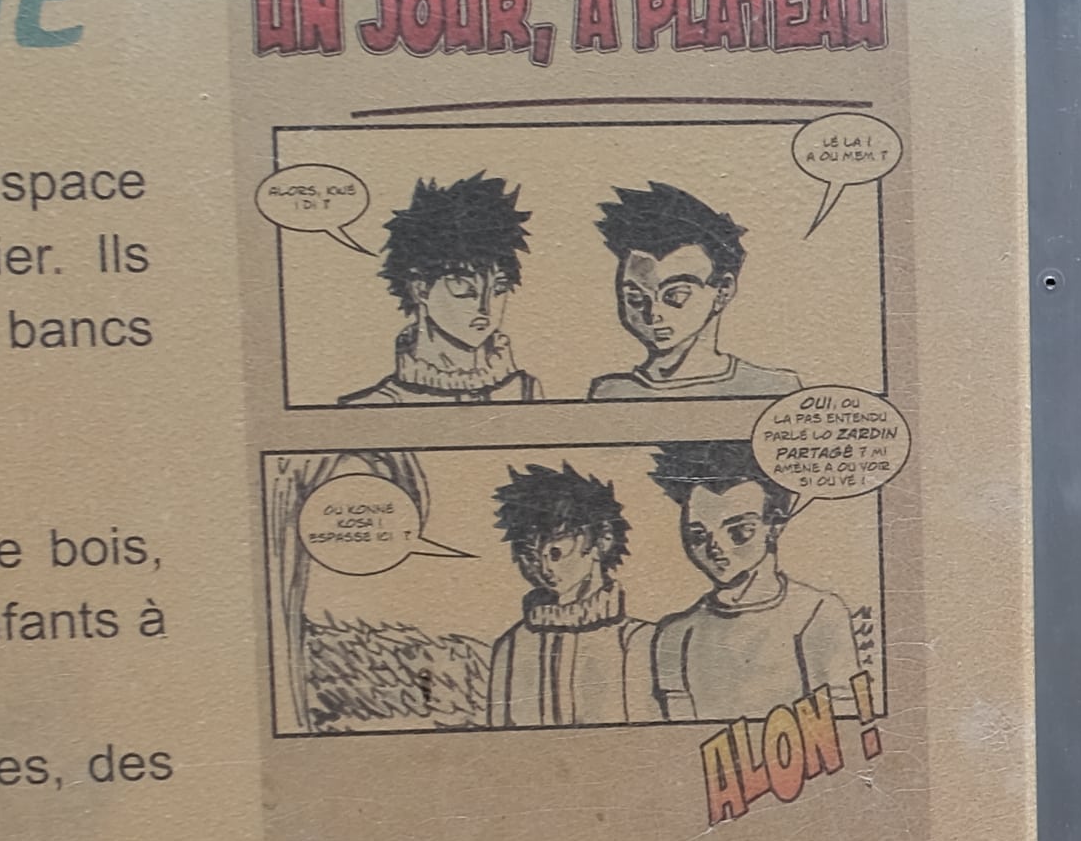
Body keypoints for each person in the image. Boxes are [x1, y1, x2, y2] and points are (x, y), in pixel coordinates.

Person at [639, 442, 869, 729]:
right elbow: (680, 736)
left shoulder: (817, 613)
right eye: (698, 535)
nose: (715, 548)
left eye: (739, 531)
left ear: (775, 526)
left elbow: (845, 722)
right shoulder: (675, 634)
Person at [588, 180, 800, 402]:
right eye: (636, 298)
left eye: (675, 295)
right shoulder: (610, 392)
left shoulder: (775, 387)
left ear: (723, 291)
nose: (653, 314)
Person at [344, 174, 539, 403]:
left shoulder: (527, 391)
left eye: (498, 288)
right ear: (420, 288)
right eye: (463, 288)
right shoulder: (375, 405)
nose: (484, 308)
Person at [485, 461, 641, 725]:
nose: (544, 569)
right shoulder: (511, 646)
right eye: (533, 557)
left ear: (602, 539)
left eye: (555, 552)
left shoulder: (635, 640)